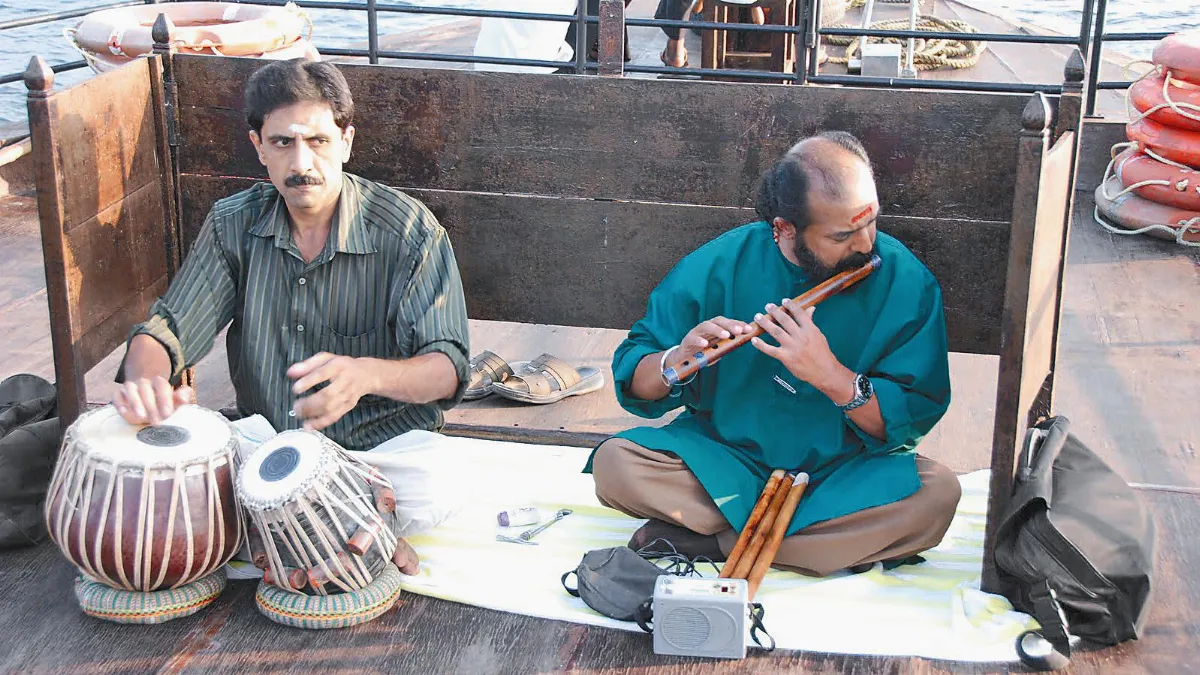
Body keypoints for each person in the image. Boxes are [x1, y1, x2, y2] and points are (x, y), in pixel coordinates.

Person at [110, 58, 472, 574]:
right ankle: (352, 531)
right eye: (283, 142)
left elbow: (448, 369)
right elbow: (168, 330)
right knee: (171, 454)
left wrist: (367, 375)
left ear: (346, 141)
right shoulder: (232, 224)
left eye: (319, 141)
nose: (302, 162)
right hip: (267, 449)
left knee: (442, 479)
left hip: (376, 457)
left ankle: (285, 528)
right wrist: (145, 383)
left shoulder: (410, 230)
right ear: (258, 146)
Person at [587, 131, 961, 577]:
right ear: (784, 228)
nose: (865, 245)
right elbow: (637, 377)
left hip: (840, 474)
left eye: (871, 222)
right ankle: (817, 545)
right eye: (842, 235)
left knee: (936, 496)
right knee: (616, 466)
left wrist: (832, 377)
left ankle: (714, 540)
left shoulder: (905, 280)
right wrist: (678, 361)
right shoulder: (722, 262)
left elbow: (910, 418)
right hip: (727, 463)